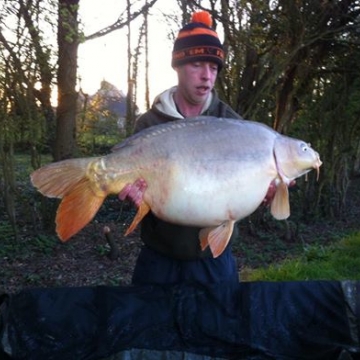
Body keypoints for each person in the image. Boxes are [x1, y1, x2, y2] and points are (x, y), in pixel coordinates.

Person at [132, 10, 243, 285]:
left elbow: (244, 189)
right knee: (150, 327)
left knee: (218, 327)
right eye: (197, 65)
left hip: (215, 259)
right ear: (178, 67)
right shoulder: (149, 123)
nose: (207, 76)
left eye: (214, 67)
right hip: (159, 258)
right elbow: (133, 189)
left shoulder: (232, 124)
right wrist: (131, 193)